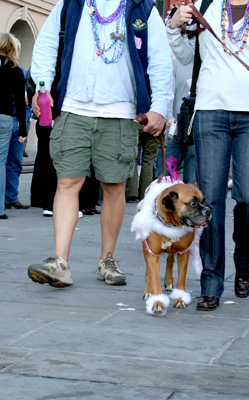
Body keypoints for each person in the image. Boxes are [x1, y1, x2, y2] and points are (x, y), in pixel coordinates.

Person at [27, 0, 173, 288]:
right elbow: (45, 46)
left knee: (115, 185)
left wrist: (160, 106)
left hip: (120, 111)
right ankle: (60, 261)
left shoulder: (143, 7)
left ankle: (107, 259)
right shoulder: (70, 4)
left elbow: (159, 60)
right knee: (67, 182)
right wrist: (42, 86)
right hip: (73, 107)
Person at [167, 0, 249, 310]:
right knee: (209, 199)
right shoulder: (206, 5)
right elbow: (187, 57)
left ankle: (244, 259)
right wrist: (174, 28)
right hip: (211, 111)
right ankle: (211, 281)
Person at [155, 57, 196, 184]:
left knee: (193, 179)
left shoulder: (211, 64)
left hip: (197, 128)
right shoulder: (177, 63)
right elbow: (168, 92)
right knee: (166, 174)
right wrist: (169, 118)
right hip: (177, 126)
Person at [0, 33, 27, 220]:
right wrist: (23, 130)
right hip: (5, 118)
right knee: (1, 162)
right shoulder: (15, 70)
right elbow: (19, 100)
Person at [5, 38, 31, 211]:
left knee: (15, 161)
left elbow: (28, 97)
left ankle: (11, 197)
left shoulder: (22, 72)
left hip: (21, 119)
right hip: (7, 117)